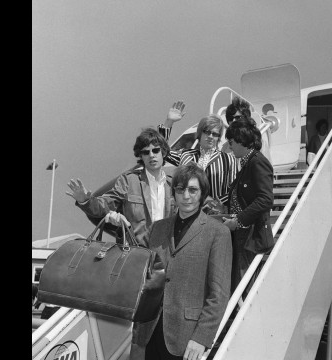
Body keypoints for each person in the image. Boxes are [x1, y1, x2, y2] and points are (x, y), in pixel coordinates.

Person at [136, 162, 232, 360]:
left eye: (193, 190)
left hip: (188, 338)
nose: (186, 196)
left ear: (203, 193)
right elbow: (145, 275)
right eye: (180, 190)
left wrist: (202, 337)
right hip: (151, 332)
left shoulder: (218, 233)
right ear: (174, 193)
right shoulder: (158, 228)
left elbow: (219, 294)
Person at [65, 128, 176, 248]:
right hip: (136, 255)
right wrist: (85, 201)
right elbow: (105, 205)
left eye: (156, 150)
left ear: (163, 153)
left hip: (167, 258)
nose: (151, 155)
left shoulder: (175, 184)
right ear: (140, 156)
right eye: (146, 152)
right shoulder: (129, 181)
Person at [222, 117, 275, 293]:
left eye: (231, 142)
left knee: (246, 286)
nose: (229, 146)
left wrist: (238, 220)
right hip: (244, 235)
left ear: (241, 140)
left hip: (251, 236)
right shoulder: (247, 163)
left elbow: (265, 199)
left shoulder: (257, 162)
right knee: (241, 283)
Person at [158, 102, 238, 212]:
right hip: (187, 213)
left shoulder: (228, 160)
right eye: (207, 132)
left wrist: (212, 203)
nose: (210, 137)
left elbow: (234, 190)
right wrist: (169, 122)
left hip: (215, 215)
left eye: (215, 134)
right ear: (200, 133)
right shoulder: (186, 155)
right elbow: (161, 151)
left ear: (219, 138)